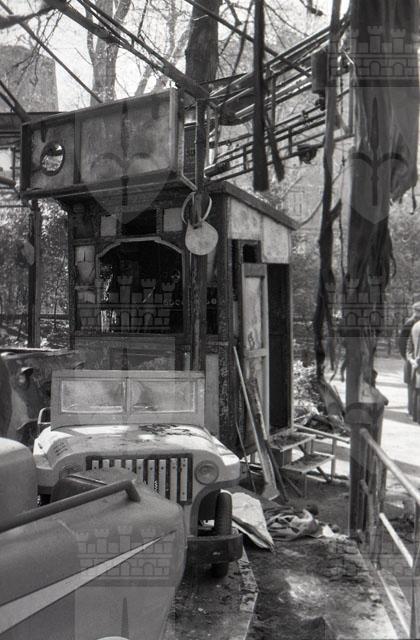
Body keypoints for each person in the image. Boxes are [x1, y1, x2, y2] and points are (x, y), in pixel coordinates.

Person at [399, 302, 420, 415]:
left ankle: (413, 409)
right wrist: (407, 358)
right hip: (411, 358)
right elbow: (402, 342)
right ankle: (412, 409)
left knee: (414, 385)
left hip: (411, 357)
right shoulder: (410, 323)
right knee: (411, 385)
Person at [406, 318, 420, 423]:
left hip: (416, 365)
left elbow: (409, 348)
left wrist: (412, 360)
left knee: (417, 390)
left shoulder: (415, 326)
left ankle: (416, 417)